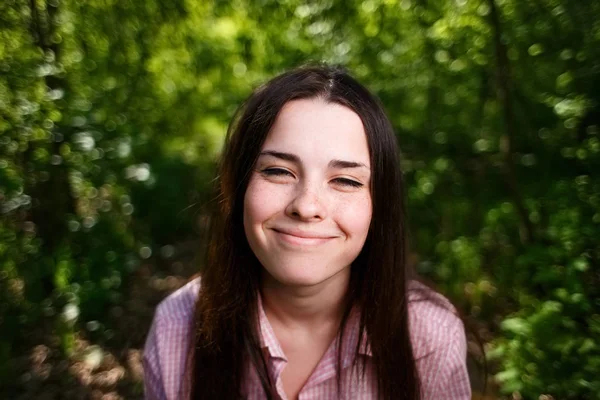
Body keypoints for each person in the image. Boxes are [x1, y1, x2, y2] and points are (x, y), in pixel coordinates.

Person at [143, 65, 471, 400]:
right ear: (239, 186)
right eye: (278, 171)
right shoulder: (177, 327)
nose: (306, 206)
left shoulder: (430, 336)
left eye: (345, 180)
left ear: (378, 205)